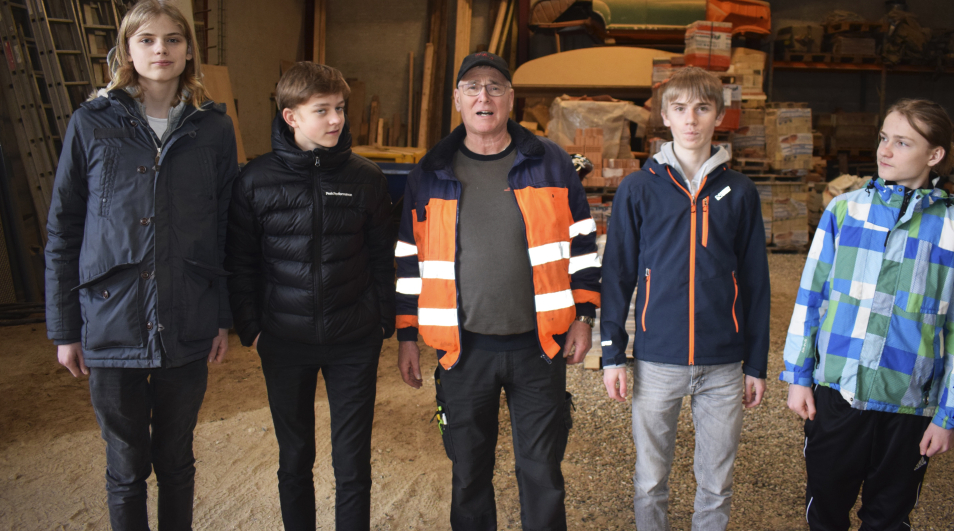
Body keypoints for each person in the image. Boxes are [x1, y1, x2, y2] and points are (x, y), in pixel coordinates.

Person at [45, 0, 238, 531]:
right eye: (147, 40)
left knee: (175, 459)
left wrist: (221, 317)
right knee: (126, 466)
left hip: (186, 315)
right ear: (126, 51)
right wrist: (66, 329)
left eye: (173, 39)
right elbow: (64, 229)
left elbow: (225, 227)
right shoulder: (91, 123)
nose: (161, 50)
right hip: (111, 319)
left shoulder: (213, 128)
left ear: (189, 50)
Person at [395, 51, 601, 531]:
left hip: (539, 348)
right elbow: (408, 259)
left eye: (494, 86)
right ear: (457, 99)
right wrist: (407, 334)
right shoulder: (430, 172)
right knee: (468, 475)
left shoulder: (550, 162)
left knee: (542, 473)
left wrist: (584, 316)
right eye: (472, 87)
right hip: (463, 351)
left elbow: (583, 244)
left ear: (510, 98)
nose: (483, 95)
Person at [781, 99, 954, 531]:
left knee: (888, 518)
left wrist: (950, 416)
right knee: (825, 513)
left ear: (935, 155)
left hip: (909, 407)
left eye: (903, 142)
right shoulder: (844, 211)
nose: (885, 150)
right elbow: (811, 298)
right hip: (839, 393)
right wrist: (798, 376)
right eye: (884, 138)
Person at [225, 62, 394, 531]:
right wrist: (253, 329)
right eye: (322, 110)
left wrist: (382, 322)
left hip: (354, 341)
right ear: (291, 116)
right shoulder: (255, 180)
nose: (336, 119)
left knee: (352, 462)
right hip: (284, 340)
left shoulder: (366, 178)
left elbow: (383, 258)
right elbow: (240, 262)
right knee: (295, 458)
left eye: (340, 108)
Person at [601, 66, 770, 531]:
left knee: (716, 485)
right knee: (650, 480)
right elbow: (617, 275)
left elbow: (755, 282)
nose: (691, 119)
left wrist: (756, 364)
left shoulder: (741, 192)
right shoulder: (638, 188)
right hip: (657, 360)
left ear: (719, 115)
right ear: (665, 116)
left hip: (723, 365)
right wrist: (612, 354)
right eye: (679, 109)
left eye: (702, 108)